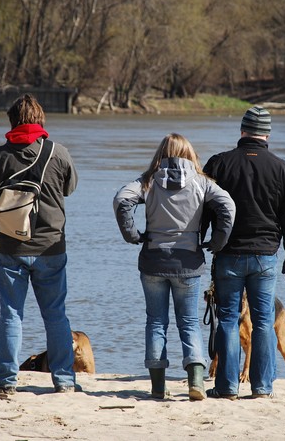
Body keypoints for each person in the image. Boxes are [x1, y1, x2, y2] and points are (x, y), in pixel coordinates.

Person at [113, 133, 235, 401]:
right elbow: (228, 205)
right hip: (188, 262)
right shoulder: (202, 182)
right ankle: (196, 384)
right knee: (189, 322)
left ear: (161, 153)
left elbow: (122, 200)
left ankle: (158, 386)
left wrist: (132, 234)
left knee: (156, 322)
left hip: (153, 260)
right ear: (190, 153)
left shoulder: (148, 181)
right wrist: (218, 241)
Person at [0, 93, 79, 395]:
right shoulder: (58, 153)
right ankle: (65, 382)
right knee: (56, 314)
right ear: (41, 120)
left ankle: (5, 382)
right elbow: (70, 187)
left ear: (12, 121)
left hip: (10, 247)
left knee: (11, 314)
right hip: (51, 248)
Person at [202, 106, 285, 399]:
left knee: (229, 320)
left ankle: (227, 387)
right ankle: (262, 387)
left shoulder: (219, 164)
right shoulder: (283, 168)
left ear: (242, 130)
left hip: (228, 254)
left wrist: (200, 243)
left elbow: (204, 210)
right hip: (265, 256)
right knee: (262, 322)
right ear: (268, 134)